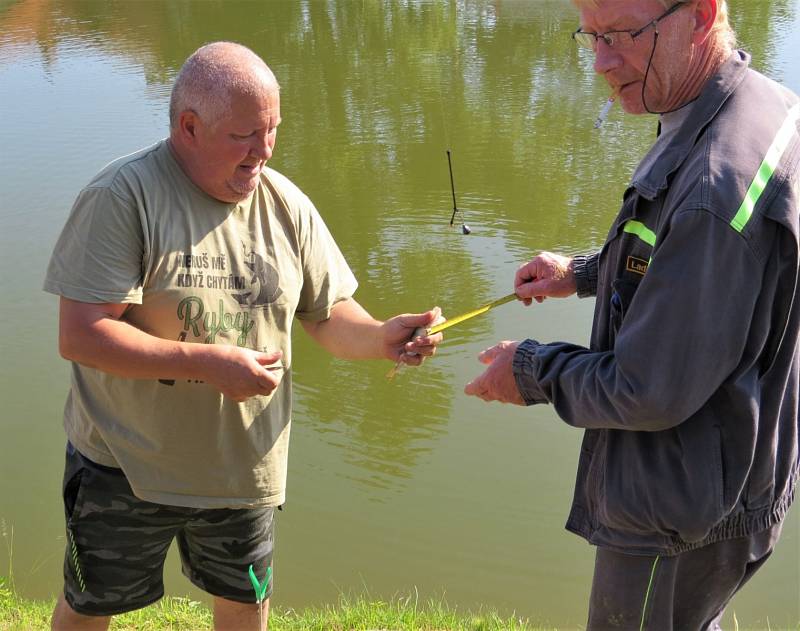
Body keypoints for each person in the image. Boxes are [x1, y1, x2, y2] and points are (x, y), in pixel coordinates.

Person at [44, 41, 442, 631]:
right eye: (244, 135)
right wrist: (208, 363)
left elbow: (327, 315)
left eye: (273, 130)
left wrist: (383, 336)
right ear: (189, 127)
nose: (263, 151)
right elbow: (83, 335)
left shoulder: (285, 204)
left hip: (243, 471)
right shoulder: (122, 198)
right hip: (125, 466)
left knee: (244, 607)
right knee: (91, 607)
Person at [465, 0, 799, 628]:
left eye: (620, 36)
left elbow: (647, 390)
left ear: (701, 15)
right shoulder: (760, 106)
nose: (599, 62)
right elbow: (702, 271)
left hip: (675, 508)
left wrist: (531, 370)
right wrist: (589, 272)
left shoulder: (713, 189)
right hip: (732, 475)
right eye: (589, 37)